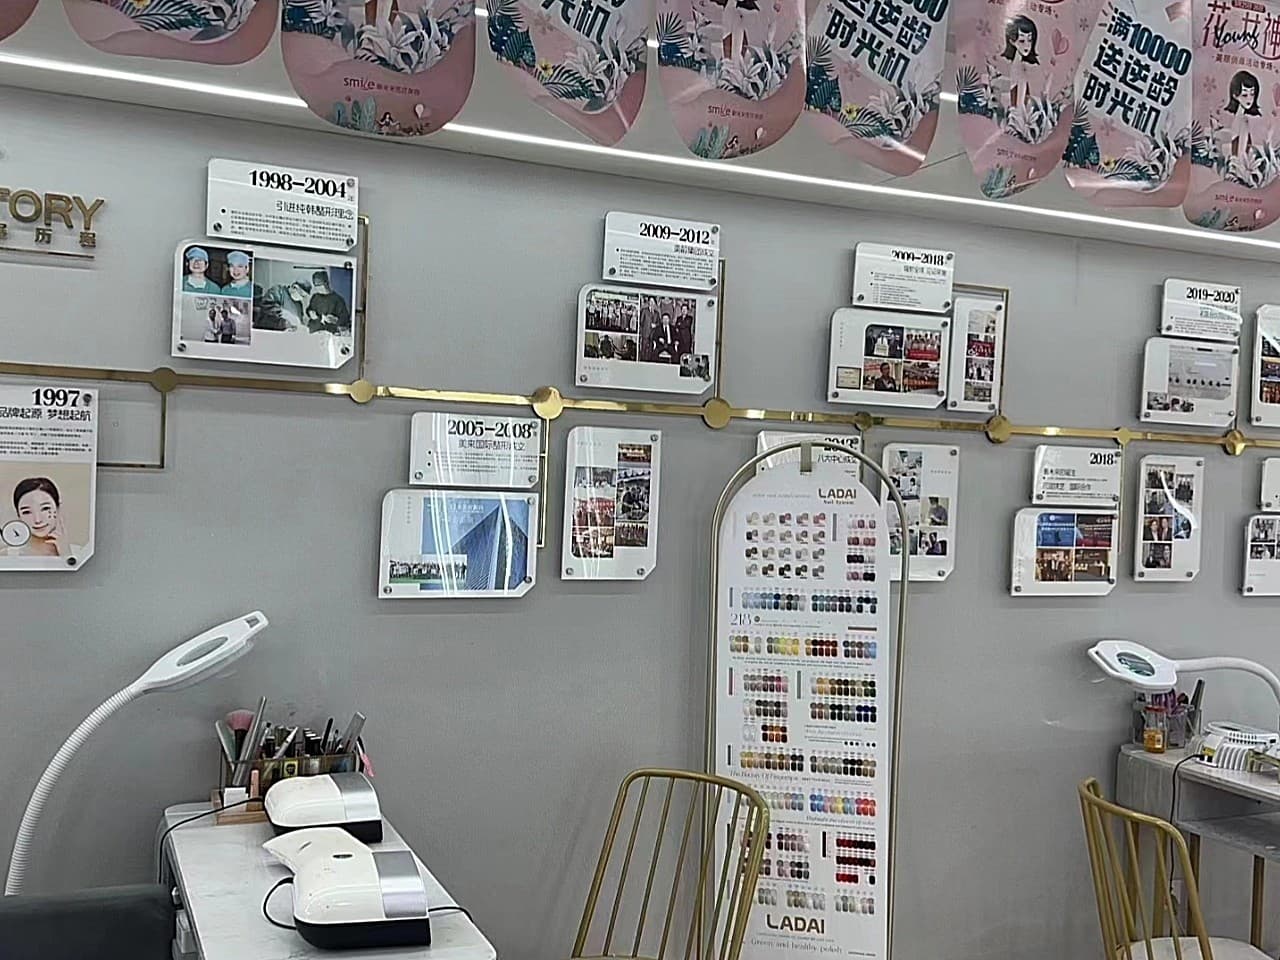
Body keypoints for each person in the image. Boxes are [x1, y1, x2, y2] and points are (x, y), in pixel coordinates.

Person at [11, 477, 66, 557]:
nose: (37, 520)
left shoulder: (80, 554)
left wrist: (66, 554)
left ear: (58, 508)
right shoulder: (6, 556)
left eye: (45, 508)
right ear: (18, 515)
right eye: (27, 512)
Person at [998, 14, 1039, 109]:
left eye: (1030, 40)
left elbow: (1020, 103)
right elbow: (1019, 103)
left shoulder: (1019, 68)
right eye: (1022, 41)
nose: (1027, 45)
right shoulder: (1017, 67)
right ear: (1012, 41)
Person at [1223, 70, 1264, 158]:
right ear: (1235, 95)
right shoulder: (1239, 118)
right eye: (1245, 95)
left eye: (1252, 94)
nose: (1249, 99)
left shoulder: (1244, 119)